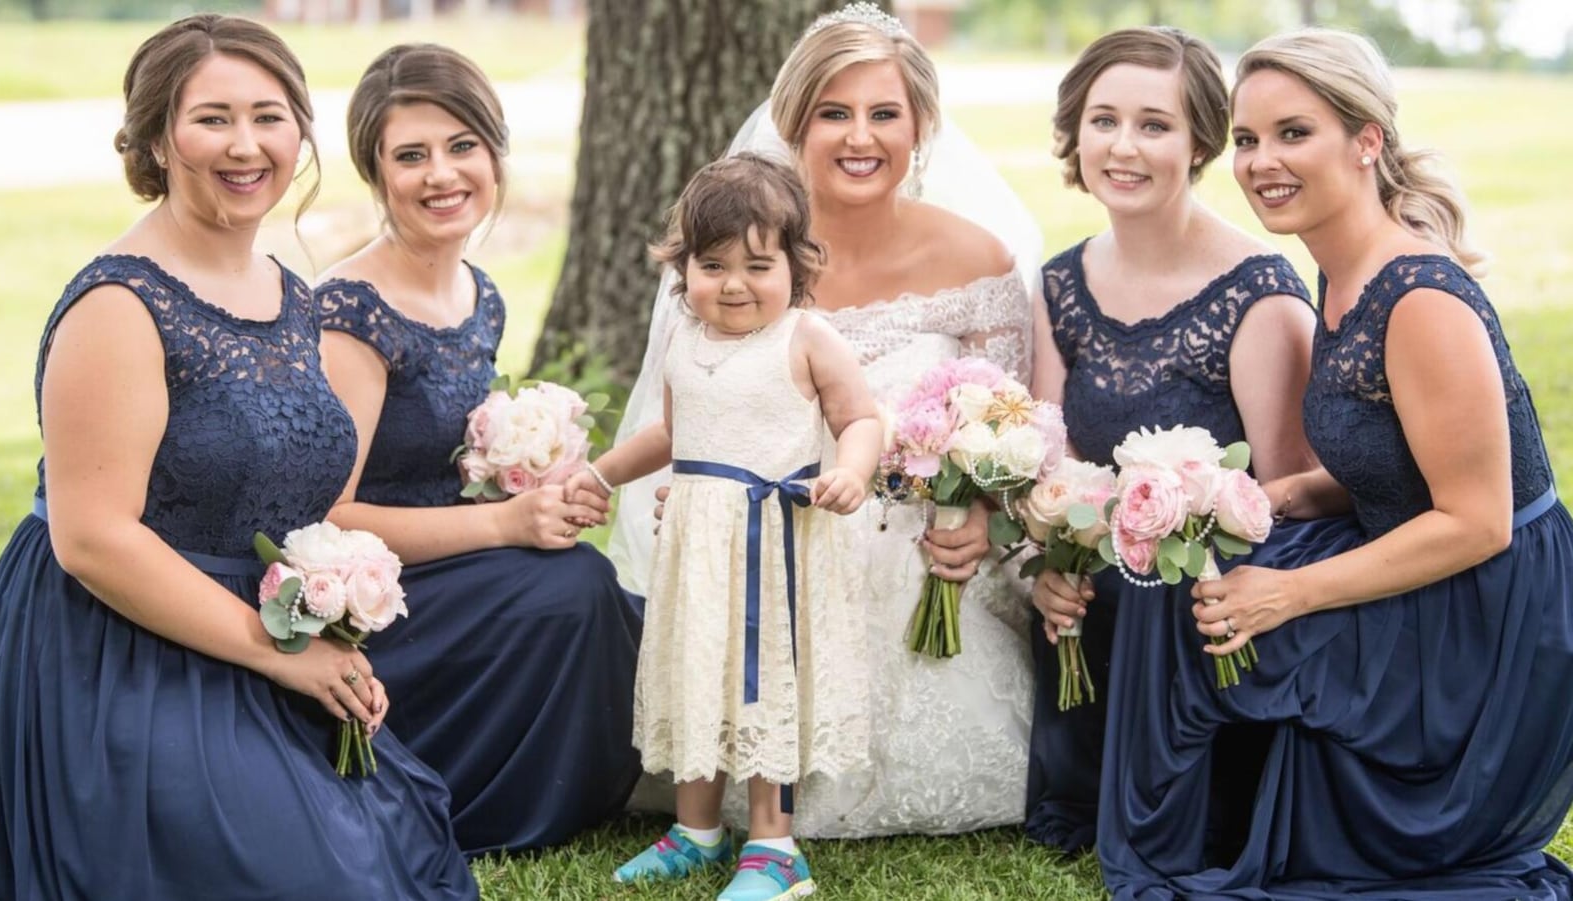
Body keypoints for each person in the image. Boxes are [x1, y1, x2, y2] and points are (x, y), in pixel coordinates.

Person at [0, 16, 476, 900]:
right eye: (212, 119)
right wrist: (280, 653)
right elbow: (91, 540)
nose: (246, 146)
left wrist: (325, 615)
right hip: (114, 649)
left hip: (251, 635)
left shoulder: (289, 293)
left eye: (269, 116)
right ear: (157, 139)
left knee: (382, 849)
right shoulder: (118, 306)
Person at [1098, 28, 1573, 899]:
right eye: (1245, 139)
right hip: (1408, 546)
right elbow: (1382, 463)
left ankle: (1218, 827)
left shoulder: (1421, 297)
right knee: (1184, 576)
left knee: (1246, 604)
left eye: (1293, 133)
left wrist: (1290, 590)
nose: (1260, 161)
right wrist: (1253, 497)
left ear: (1366, 142)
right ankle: (1197, 823)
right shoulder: (1337, 270)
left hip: (1485, 615)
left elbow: (1478, 519)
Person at [612, 1, 1044, 836]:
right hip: (761, 542)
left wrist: (982, 517)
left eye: (885, 113)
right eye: (834, 113)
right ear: (793, 124)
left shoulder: (979, 258)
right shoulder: (732, 260)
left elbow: (1005, 426)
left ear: (920, 125)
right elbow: (691, 405)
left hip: (915, 547)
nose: (860, 137)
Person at [313, 43, 642, 856]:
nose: (442, 174)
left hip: (455, 557)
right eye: (411, 155)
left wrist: (540, 485)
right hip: (379, 590)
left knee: (604, 592)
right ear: (376, 172)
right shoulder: (350, 312)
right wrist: (507, 525)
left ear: (494, 155)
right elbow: (331, 512)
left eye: (462, 146)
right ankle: (487, 797)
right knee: (575, 592)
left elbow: (456, 466)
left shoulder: (478, 293)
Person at [1023, 27, 1317, 855]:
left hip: (1211, 626)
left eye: (1154, 125)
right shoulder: (1059, 285)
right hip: (1095, 619)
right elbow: (1055, 472)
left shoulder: (1258, 292)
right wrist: (1047, 568)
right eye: (1103, 120)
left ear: (1199, 144)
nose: (1123, 146)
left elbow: (1291, 504)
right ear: (1074, 133)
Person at [568, 152, 879, 901]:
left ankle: (775, 847)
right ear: (684, 269)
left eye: (757, 264)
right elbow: (671, 434)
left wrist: (853, 471)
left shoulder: (805, 338)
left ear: (796, 267)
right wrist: (602, 471)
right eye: (713, 265)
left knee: (762, 679)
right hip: (698, 554)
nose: (733, 283)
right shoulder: (685, 338)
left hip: (773, 548)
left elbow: (862, 415)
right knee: (697, 676)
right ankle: (696, 828)